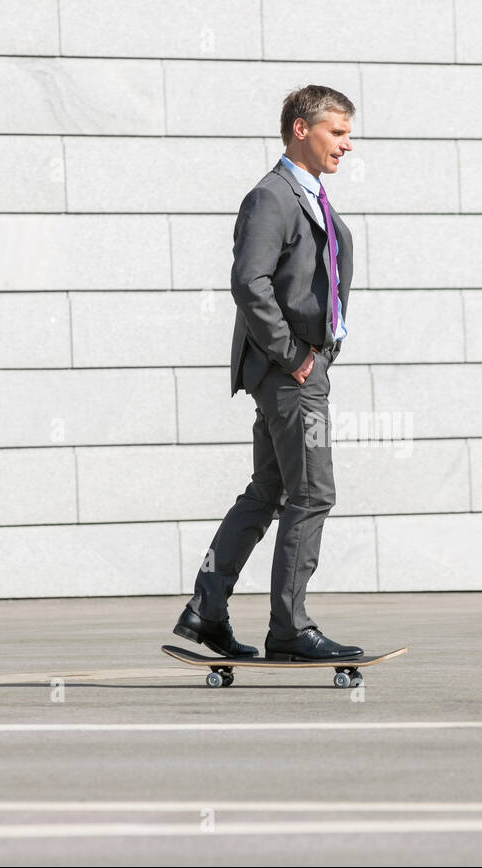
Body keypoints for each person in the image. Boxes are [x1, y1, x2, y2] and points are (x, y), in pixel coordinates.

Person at [172, 85, 363, 662]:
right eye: (338, 133)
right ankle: (290, 629)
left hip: (300, 369)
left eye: (349, 134)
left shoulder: (311, 197)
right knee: (313, 493)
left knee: (269, 492)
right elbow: (249, 283)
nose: (347, 145)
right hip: (290, 374)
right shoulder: (273, 197)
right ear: (301, 130)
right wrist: (296, 355)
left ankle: (206, 610)